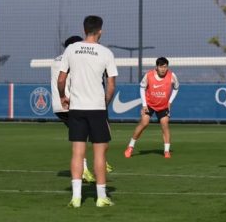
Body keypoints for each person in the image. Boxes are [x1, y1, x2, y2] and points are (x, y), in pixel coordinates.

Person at [58, 15, 118, 208]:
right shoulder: (106, 53)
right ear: (100, 30)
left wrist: (62, 96)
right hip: (97, 108)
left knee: (77, 152)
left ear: (84, 29)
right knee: (99, 154)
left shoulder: (71, 49)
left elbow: (61, 79)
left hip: (76, 108)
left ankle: (76, 198)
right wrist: (105, 102)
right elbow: (111, 85)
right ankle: (101, 197)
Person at [51, 36, 113, 183]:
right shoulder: (74, 59)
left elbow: (60, 80)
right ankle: (92, 167)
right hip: (75, 103)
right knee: (92, 138)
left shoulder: (55, 61)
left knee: (81, 140)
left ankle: (95, 165)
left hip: (59, 106)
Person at [124, 57, 179, 159]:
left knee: (165, 124)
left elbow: (176, 88)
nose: (163, 69)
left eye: (165, 67)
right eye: (161, 67)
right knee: (144, 123)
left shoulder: (172, 76)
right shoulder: (149, 75)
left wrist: (170, 101)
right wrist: (144, 104)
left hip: (163, 106)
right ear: (156, 67)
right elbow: (142, 87)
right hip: (149, 104)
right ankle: (130, 146)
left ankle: (166, 151)